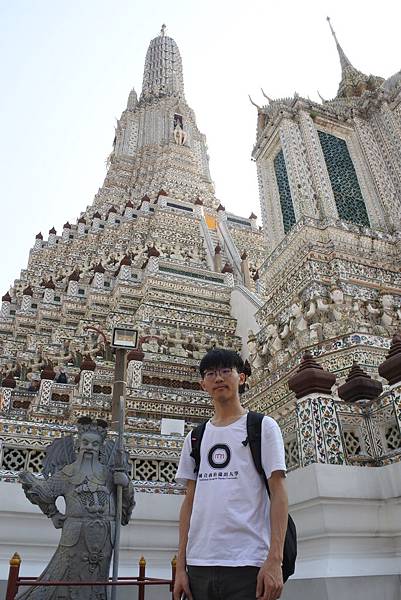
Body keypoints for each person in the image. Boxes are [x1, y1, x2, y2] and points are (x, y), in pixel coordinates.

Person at [174, 348, 288, 600]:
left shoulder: (262, 427)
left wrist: (274, 560)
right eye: (211, 373)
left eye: (227, 371)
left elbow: (279, 493)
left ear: (242, 377)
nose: (218, 378)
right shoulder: (195, 437)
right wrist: (180, 567)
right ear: (202, 384)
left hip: (248, 564)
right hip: (199, 565)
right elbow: (189, 503)